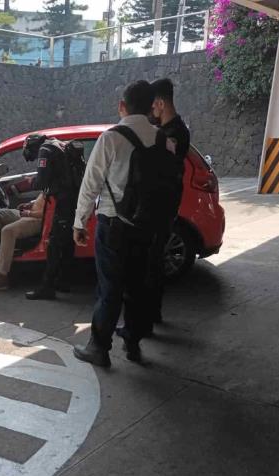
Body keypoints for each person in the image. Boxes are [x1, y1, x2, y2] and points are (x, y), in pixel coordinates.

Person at [71, 80, 160, 366]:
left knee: (110, 288)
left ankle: (99, 348)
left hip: (114, 224)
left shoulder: (111, 138)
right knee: (137, 285)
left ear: (122, 105)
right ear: (151, 107)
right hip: (147, 225)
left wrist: (79, 222)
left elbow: (91, 184)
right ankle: (132, 342)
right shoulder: (163, 139)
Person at [145, 78, 191, 326]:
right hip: (162, 205)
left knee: (152, 264)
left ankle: (148, 317)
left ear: (160, 103)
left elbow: (158, 168)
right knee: (152, 263)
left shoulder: (174, 133)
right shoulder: (169, 131)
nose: (151, 112)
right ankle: (151, 314)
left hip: (160, 207)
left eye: (152, 106)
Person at [22, 133, 80, 300]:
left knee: (54, 244)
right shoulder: (58, 144)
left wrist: (30, 181)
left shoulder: (45, 150)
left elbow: (41, 182)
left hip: (64, 201)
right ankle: (64, 282)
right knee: (67, 242)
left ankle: (47, 288)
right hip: (73, 199)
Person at [0, 193, 46, 291]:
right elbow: (42, 200)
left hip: (38, 219)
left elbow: (48, 211)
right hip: (31, 212)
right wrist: (30, 203)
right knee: (0, 214)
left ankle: (2, 277)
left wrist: (29, 213)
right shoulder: (48, 184)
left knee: (7, 231)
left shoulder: (56, 185)